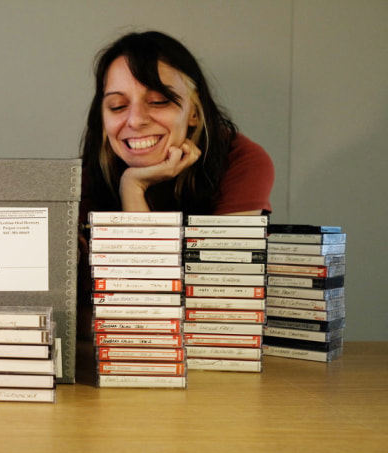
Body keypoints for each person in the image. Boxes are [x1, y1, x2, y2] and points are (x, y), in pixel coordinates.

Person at [77, 31, 274, 336]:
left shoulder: (242, 161)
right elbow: (89, 317)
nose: (136, 120)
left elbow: (219, 309)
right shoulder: (91, 172)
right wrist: (133, 186)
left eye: (158, 101)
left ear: (193, 112)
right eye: (117, 106)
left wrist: (133, 190)